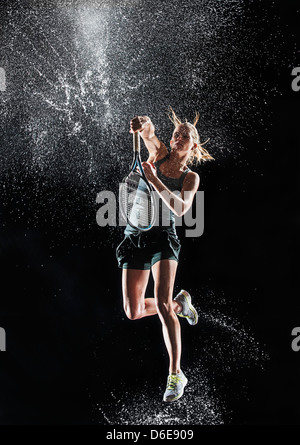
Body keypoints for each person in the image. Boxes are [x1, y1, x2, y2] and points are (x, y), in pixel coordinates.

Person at [116, 108, 214, 402]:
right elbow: (147, 133)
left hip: (163, 240)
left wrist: (154, 179)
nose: (179, 136)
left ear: (194, 145)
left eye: (186, 135)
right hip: (135, 236)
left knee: (160, 304)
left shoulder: (190, 177)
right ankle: (180, 304)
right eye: (176, 133)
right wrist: (144, 122)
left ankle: (176, 374)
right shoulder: (158, 154)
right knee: (133, 311)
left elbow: (180, 209)